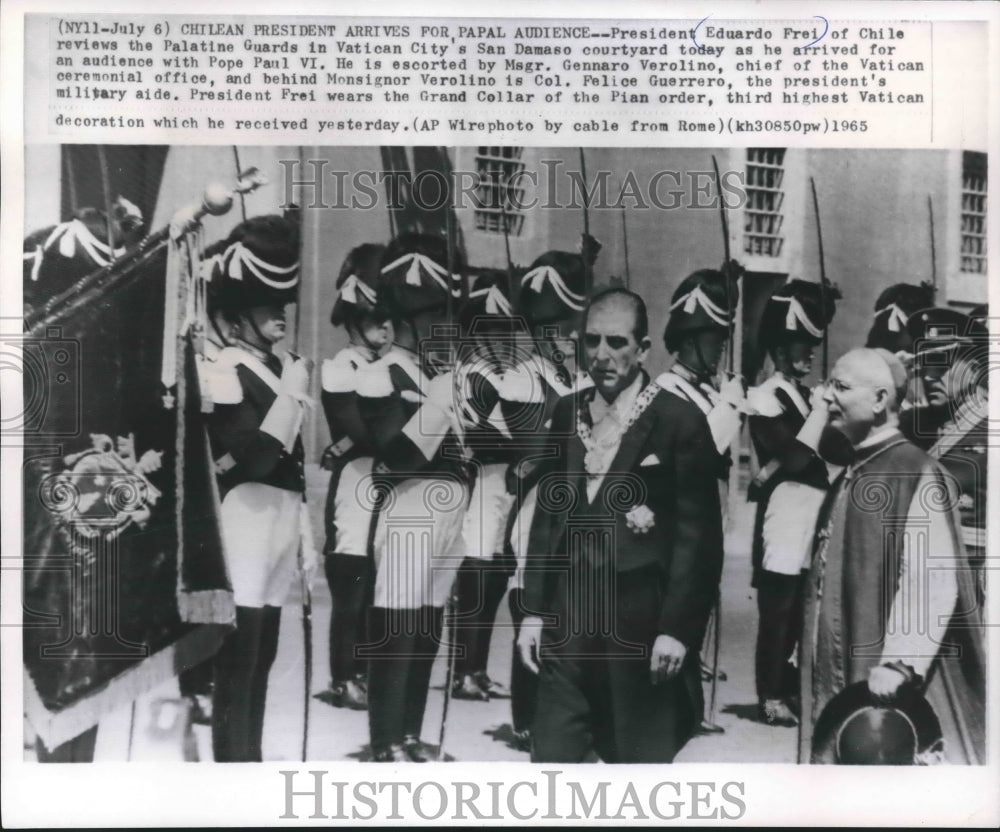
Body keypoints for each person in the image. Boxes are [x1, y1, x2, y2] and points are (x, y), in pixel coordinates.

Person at [517, 288, 724, 763]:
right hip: (567, 623)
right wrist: (532, 611)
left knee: (637, 771)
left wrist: (676, 630)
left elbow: (698, 539)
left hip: (639, 626)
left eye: (616, 342)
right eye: (591, 342)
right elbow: (547, 520)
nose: (602, 356)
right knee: (552, 761)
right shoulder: (566, 413)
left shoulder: (679, 420)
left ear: (644, 349)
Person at [799, 348, 985, 764]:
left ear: (880, 400)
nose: (827, 396)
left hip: (884, 682)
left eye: (841, 387)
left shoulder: (913, 470)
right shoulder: (856, 465)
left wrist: (900, 664)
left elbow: (930, 578)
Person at [201, 214, 315, 762]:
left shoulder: (280, 367)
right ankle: (231, 762)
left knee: (265, 649)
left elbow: (291, 466)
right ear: (235, 316)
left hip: (281, 518)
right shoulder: (225, 367)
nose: (281, 314)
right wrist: (292, 398)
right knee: (240, 651)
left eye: (283, 304)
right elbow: (257, 457)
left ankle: (251, 758)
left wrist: (307, 532)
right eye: (268, 305)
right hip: (245, 514)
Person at [356, 232, 471, 763]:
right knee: (398, 625)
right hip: (408, 506)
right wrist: (442, 405)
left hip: (450, 508)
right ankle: (384, 740)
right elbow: (396, 453)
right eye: (435, 315)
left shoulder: (437, 375)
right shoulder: (382, 373)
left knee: (427, 625)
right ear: (410, 317)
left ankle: (408, 732)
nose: (444, 326)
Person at [504, 245, 593, 750]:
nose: (570, 336)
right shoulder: (523, 376)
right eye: (560, 327)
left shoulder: (579, 378)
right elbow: (530, 449)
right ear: (541, 330)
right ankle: (525, 715)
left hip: (579, 502)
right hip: (537, 502)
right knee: (531, 604)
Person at [745, 279, 839, 726]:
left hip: (813, 510)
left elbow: (833, 452)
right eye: (802, 345)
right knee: (779, 609)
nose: (809, 354)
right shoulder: (765, 396)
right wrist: (820, 413)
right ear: (781, 349)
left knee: (804, 608)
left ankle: (793, 686)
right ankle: (770, 694)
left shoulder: (803, 395)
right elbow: (798, 457)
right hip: (785, 513)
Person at [656, 267, 743, 733]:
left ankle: (690, 710)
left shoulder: (703, 390)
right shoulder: (670, 391)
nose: (721, 349)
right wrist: (729, 407)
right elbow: (704, 452)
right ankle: (679, 712)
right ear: (691, 340)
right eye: (716, 339)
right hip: (679, 518)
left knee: (701, 604)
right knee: (682, 609)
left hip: (709, 512)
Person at [318, 243, 392, 710]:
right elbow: (358, 430)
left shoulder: (391, 365)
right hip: (357, 483)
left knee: (379, 582)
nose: (386, 329)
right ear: (354, 319)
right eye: (376, 320)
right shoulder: (341, 367)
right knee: (353, 582)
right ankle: (344, 676)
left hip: (385, 479)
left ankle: (365, 670)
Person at [449, 273, 520, 703]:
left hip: (501, 484)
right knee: (475, 582)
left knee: (492, 580)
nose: (501, 341)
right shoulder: (471, 375)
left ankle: (477, 666)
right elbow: (477, 435)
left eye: (505, 332)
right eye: (492, 332)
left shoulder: (501, 375)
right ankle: (463, 670)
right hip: (479, 481)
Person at [906, 306, 989, 610]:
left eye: (941, 366)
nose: (929, 376)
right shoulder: (917, 424)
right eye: (925, 364)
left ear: (973, 368)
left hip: (974, 588)